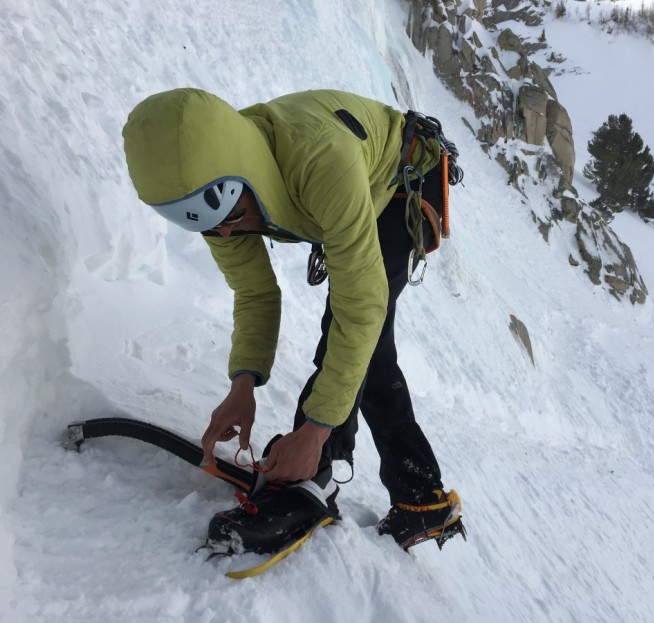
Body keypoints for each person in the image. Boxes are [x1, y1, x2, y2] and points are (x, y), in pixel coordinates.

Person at [121, 88, 464, 553]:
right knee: (361, 340)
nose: (224, 232)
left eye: (231, 216)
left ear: (247, 174)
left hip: (406, 178)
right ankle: (418, 498)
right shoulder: (215, 191)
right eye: (204, 225)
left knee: (359, 329)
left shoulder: (318, 161)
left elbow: (361, 308)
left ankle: (318, 472)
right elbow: (255, 292)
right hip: (356, 179)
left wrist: (314, 431)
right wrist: (243, 384)